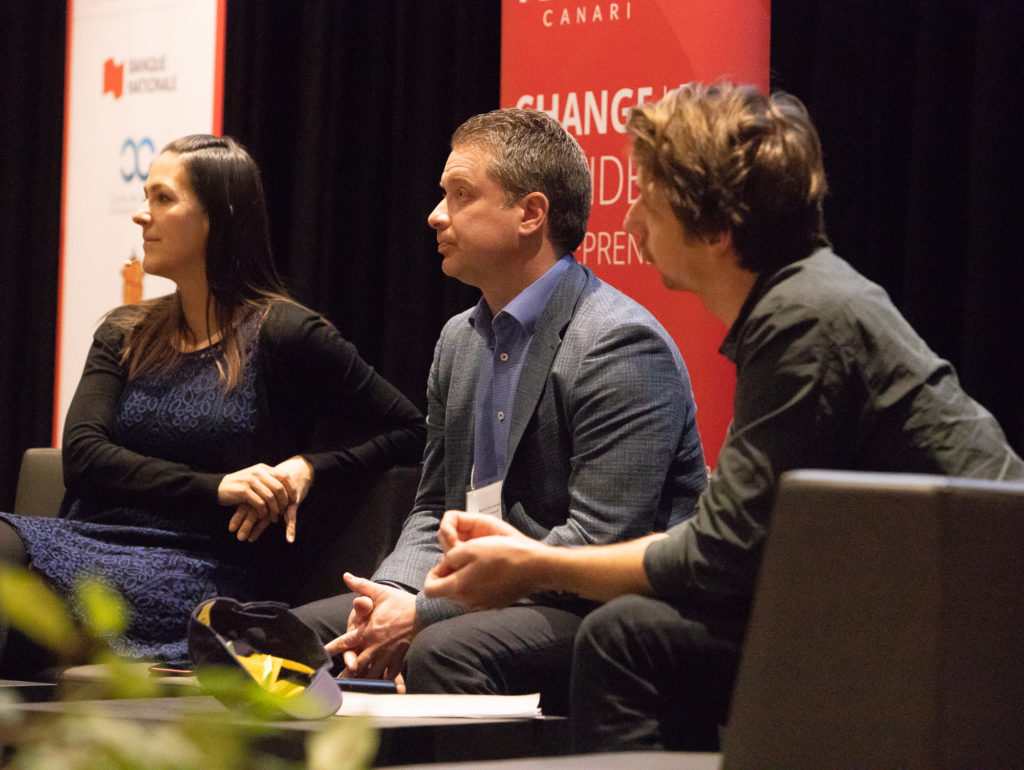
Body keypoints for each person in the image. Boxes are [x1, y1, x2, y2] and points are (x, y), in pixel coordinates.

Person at [422, 83, 1024, 750]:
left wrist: (537, 564)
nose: (631, 224)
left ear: (716, 227)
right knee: (630, 633)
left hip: (970, 619)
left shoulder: (805, 319)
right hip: (919, 599)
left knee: (628, 639)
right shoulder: (800, 305)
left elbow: (721, 555)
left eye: (650, 202)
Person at [293, 108, 707, 712]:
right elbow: (435, 507)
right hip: (483, 591)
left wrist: (424, 613)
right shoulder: (458, 340)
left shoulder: (618, 343)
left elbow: (599, 540)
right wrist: (388, 595)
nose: (436, 215)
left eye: (461, 195)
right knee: (290, 640)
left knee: (445, 650)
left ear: (530, 214)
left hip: (592, 603)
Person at [0, 135, 425, 671]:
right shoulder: (125, 330)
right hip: (87, 538)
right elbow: (84, 456)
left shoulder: (285, 332)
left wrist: (308, 467)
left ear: (218, 217)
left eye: (163, 198)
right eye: (145, 197)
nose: (141, 215)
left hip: (200, 566)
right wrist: (216, 487)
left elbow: (412, 431)